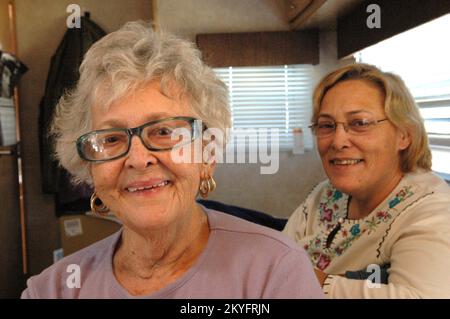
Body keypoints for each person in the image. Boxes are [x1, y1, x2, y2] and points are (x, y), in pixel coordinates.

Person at [21, 21, 323, 299]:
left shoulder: (276, 271)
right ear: (88, 167)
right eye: (111, 139)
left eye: (164, 132)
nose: (138, 159)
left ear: (207, 153)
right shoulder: (52, 290)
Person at [283, 63, 450, 298]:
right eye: (327, 125)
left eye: (360, 123)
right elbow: (278, 255)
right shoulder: (325, 194)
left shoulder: (432, 211)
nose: (338, 141)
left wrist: (315, 282)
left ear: (404, 134)